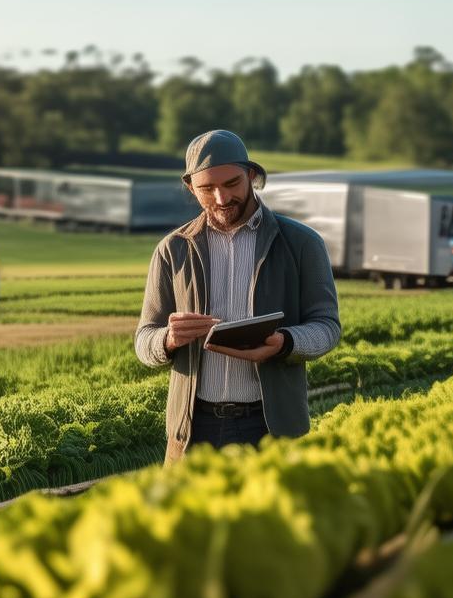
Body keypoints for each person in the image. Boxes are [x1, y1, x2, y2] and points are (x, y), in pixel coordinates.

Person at [135, 129, 340, 462]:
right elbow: (144, 340)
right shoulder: (172, 250)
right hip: (192, 431)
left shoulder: (302, 244)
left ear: (252, 176)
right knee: (191, 516)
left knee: (269, 515)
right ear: (190, 187)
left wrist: (285, 343)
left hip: (271, 428)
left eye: (232, 184)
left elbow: (328, 327)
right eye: (206, 189)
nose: (220, 198)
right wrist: (168, 340)